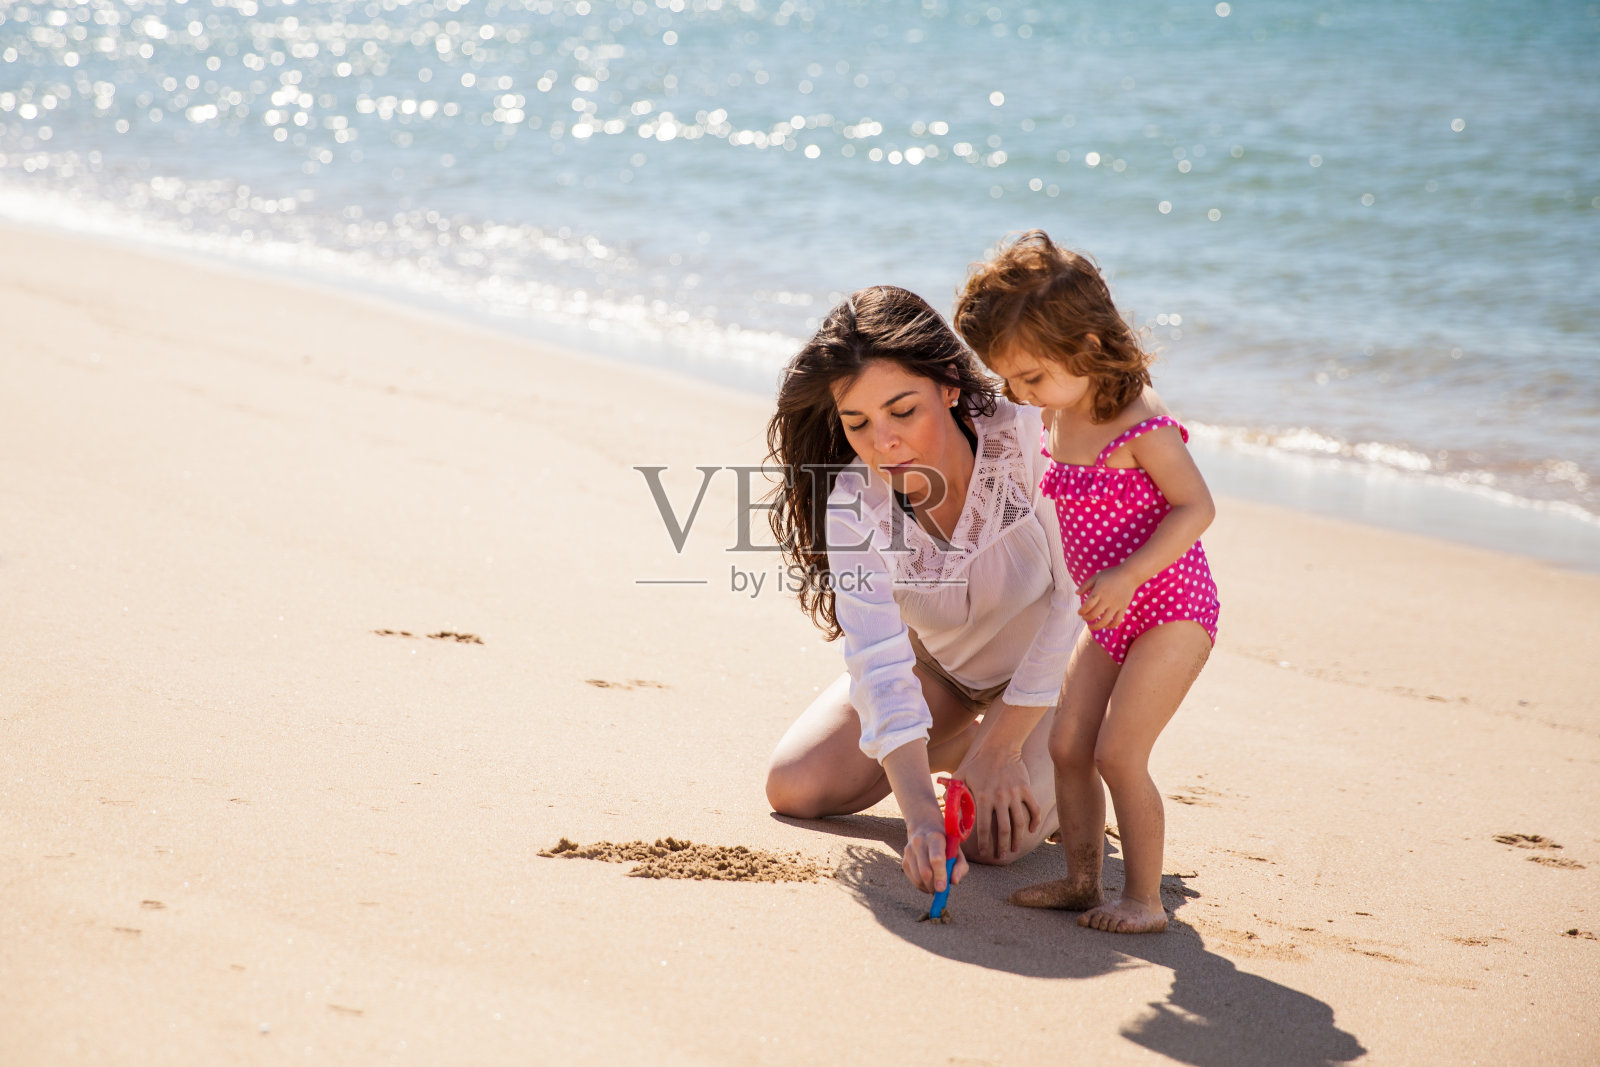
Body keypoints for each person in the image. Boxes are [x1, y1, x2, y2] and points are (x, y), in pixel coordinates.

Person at [763, 285, 1085, 901]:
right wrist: (918, 822)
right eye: (858, 423)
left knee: (995, 842)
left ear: (949, 386)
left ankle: (1077, 762)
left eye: (902, 411)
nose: (883, 442)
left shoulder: (1030, 442)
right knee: (795, 786)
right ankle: (958, 743)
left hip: (1062, 675)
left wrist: (1004, 743)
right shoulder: (855, 503)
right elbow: (879, 660)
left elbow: (1077, 603)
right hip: (945, 669)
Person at [954, 230, 1220, 934]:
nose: (1019, 394)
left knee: (1117, 752)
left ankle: (1144, 899)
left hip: (1170, 609)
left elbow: (1199, 507)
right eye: (1010, 379)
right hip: (1110, 615)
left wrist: (1131, 574)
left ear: (1091, 347)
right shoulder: (1057, 410)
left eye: (1031, 378)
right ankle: (1079, 879)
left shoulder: (1140, 421)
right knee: (1068, 744)